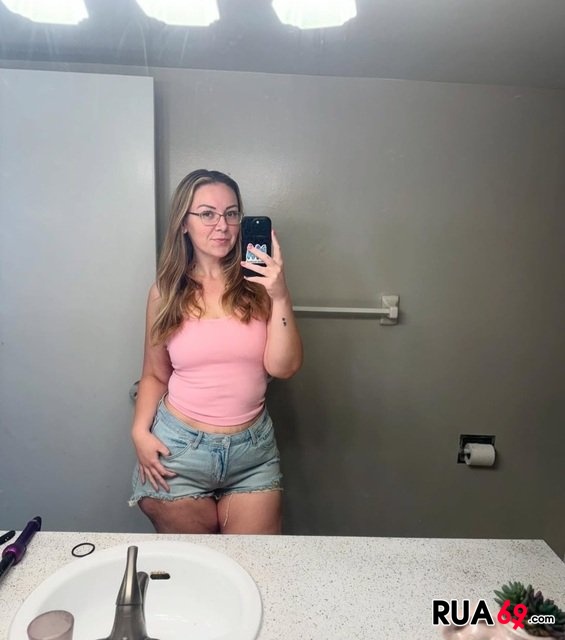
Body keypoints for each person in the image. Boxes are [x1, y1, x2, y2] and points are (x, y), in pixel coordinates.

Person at [128, 169, 303, 534]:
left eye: (231, 213)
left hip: (251, 454)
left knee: (251, 561)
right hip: (179, 450)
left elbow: (283, 368)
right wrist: (139, 433)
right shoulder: (165, 292)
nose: (222, 225)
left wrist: (281, 294)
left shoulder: (260, 286)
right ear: (184, 223)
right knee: (197, 561)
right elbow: (155, 374)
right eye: (207, 214)